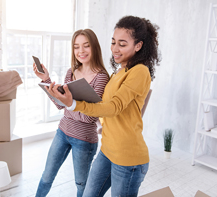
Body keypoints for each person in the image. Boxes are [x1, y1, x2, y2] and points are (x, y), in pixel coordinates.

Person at [46, 15, 161, 197]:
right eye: (113, 42)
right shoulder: (120, 71)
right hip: (107, 149)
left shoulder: (140, 71)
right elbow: (103, 107)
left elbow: (113, 107)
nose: (115, 49)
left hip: (128, 158)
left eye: (122, 44)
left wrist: (73, 104)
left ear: (138, 46)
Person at [33, 29, 109, 197]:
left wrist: (70, 106)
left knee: (81, 185)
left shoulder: (102, 78)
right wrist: (46, 80)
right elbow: (61, 105)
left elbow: (90, 117)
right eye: (76, 47)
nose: (80, 51)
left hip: (84, 140)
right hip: (62, 132)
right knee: (46, 176)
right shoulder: (71, 72)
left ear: (94, 47)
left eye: (86, 46)